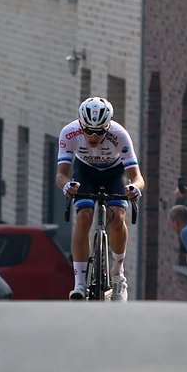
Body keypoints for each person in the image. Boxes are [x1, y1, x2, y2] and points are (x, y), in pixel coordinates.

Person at [56, 96, 146, 301]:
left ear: (108, 127)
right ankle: (79, 283)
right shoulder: (69, 133)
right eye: (88, 130)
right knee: (84, 216)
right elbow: (61, 174)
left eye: (99, 132)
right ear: (80, 124)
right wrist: (67, 186)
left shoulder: (119, 134)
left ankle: (118, 275)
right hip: (84, 172)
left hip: (114, 173)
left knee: (117, 218)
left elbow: (136, 176)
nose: (93, 136)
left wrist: (135, 188)